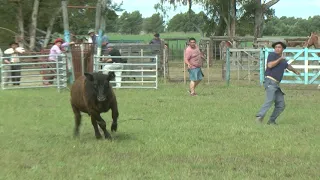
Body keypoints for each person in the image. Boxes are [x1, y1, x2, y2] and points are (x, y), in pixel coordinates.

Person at [256, 41, 300, 125]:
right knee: (270, 100)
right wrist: (280, 59)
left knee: (281, 104)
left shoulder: (283, 60)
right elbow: (270, 65)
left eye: (279, 47)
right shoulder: (272, 55)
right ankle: (260, 117)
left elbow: (287, 66)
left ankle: (271, 121)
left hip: (276, 84)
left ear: (282, 49)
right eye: (276, 47)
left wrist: (296, 71)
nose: (277, 49)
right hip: (270, 81)